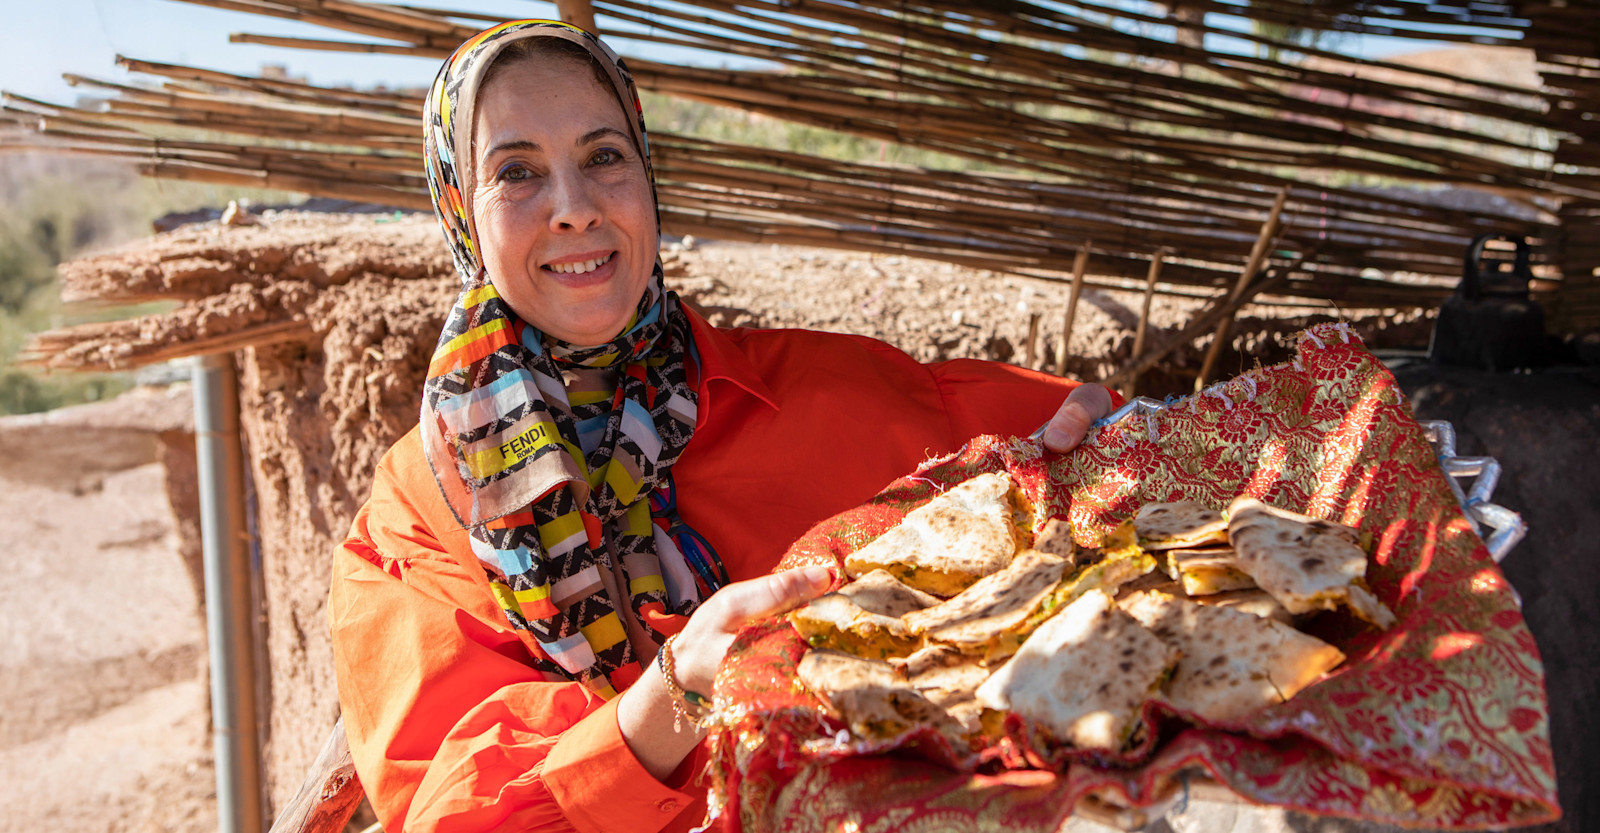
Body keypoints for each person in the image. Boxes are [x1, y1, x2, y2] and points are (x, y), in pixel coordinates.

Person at [329, 20, 1116, 833]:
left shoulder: (823, 391)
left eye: (604, 156)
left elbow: (1079, 422)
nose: (574, 209)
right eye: (517, 172)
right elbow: (452, 812)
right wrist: (674, 693)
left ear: (646, 175)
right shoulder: (417, 521)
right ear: (460, 210)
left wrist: (1112, 430)